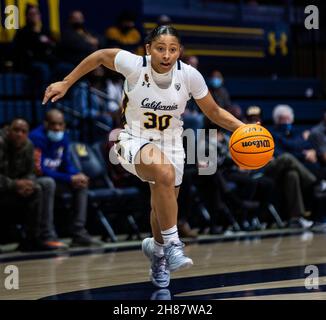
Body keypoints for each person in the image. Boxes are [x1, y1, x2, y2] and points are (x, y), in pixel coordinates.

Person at [42, 25, 245, 288]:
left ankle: (158, 252)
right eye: (160, 48)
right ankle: (173, 245)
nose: (166, 55)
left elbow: (215, 113)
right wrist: (66, 82)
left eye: (173, 50)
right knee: (164, 174)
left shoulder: (190, 76)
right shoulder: (134, 65)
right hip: (132, 139)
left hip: (172, 143)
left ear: (179, 52)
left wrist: (245, 129)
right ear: (149, 49)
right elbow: (100, 55)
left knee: (162, 205)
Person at [29, 109, 102, 247]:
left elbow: (66, 164)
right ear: (45, 124)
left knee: (81, 184)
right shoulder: (36, 137)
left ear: (64, 125)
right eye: (53, 124)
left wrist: (76, 174)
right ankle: (47, 235)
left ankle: (78, 233)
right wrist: (68, 178)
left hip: (57, 179)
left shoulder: (63, 137)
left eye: (60, 124)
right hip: (39, 180)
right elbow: (40, 170)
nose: (57, 128)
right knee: (48, 183)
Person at [0, 119, 65, 251]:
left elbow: (30, 172)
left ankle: (32, 239)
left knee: (37, 189)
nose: (19, 134)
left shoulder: (28, 145)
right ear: (8, 130)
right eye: (16, 130)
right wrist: (15, 184)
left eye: (23, 131)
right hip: (4, 188)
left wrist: (28, 183)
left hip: (16, 189)